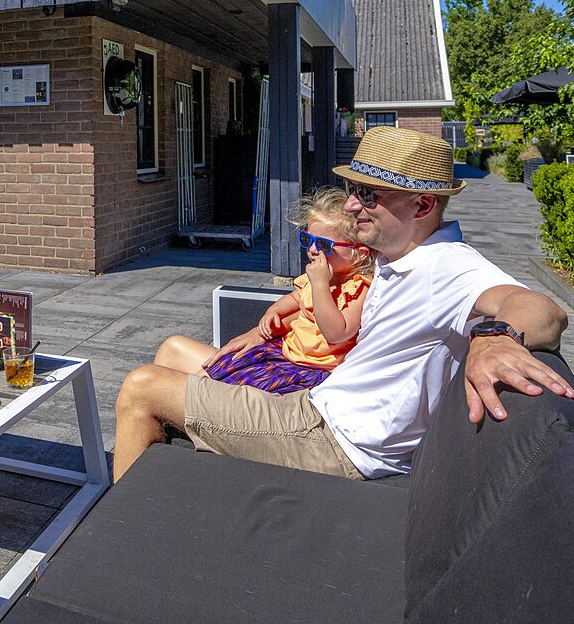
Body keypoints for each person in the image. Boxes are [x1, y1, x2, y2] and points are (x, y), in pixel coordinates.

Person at [113, 126, 571, 483]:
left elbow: (543, 311)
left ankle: (114, 543)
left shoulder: (444, 266)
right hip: (321, 407)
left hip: (334, 439)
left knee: (142, 388)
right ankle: (167, 495)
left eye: (369, 194)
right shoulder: (397, 260)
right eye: (354, 190)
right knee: (175, 357)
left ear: (424, 203)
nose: (351, 206)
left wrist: (495, 338)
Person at [156, 187, 373, 394]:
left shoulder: (357, 288)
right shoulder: (316, 277)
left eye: (325, 245)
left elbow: (337, 333)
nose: (313, 250)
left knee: (210, 385)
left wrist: (320, 286)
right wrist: (274, 311)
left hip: (308, 371)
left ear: (359, 254)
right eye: (308, 240)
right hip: (285, 352)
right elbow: (296, 298)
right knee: (212, 371)